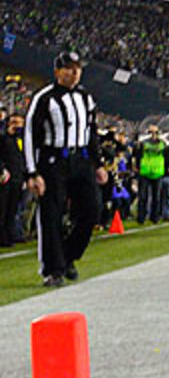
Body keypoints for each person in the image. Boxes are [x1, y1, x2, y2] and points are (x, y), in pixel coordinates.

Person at [23, 51, 107, 286]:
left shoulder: (85, 98)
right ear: (57, 71)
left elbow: (91, 132)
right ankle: (52, 269)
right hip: (53, 162)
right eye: (69, 68)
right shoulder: (44, 98)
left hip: (81, 160)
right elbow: (30, 136)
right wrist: (32, 172)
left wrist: (98, 163)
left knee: (92, 210)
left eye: (77, 68)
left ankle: (68, 255)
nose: (74, 72)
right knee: (51, 215)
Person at [135, 124, 169, 223]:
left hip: (157, 172)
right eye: (151, 132)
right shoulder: (143, 143)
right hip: (145, 171)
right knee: (143, 197)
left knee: (157, 197)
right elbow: (137, 154)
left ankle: (154, 217)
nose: (153, 134)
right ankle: (141, 217)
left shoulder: (163, 144)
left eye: (155, 132)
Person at [0, 105, 23, 246]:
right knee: (3, 208)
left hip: (18, 178)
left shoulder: (20, 140)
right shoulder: (2, 138)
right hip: (5, 178)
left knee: (13, 209)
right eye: (14, 122)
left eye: (19, 123)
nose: (17, 126)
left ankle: (10, 234)